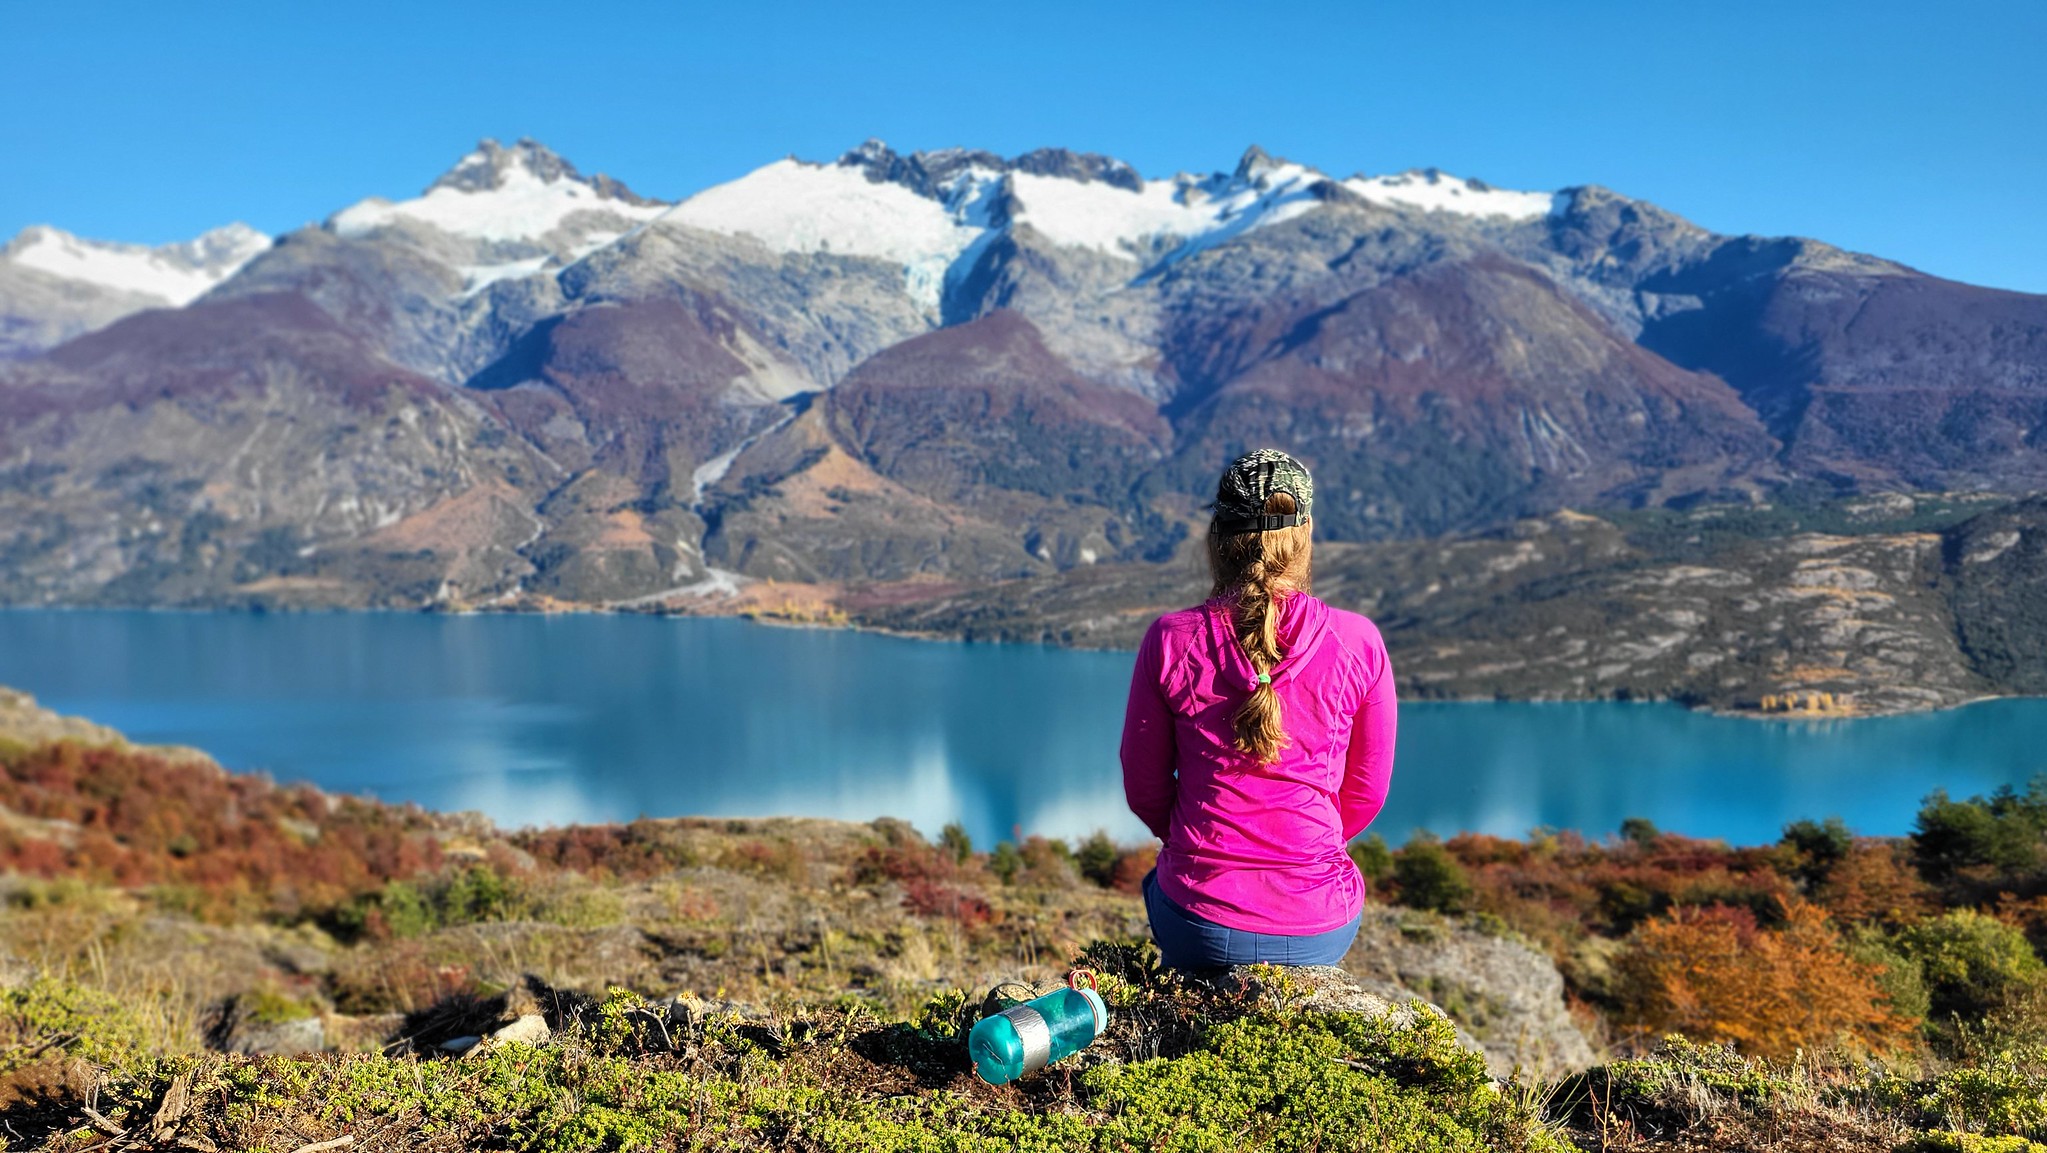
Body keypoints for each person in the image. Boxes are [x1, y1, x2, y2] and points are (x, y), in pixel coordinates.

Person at [1120, 448, 1397, 970]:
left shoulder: (1170, 638)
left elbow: (1145, 789)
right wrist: (1305, 846)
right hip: (1320, 926)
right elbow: (1366, 792)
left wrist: (1196, 845)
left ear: (1217, 537)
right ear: (1305, 534)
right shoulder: (1358, 641)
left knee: (1157, 885)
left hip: (1197, 922)